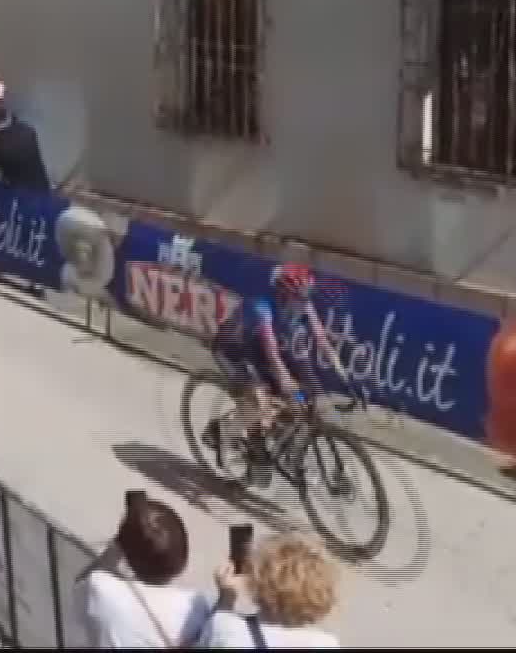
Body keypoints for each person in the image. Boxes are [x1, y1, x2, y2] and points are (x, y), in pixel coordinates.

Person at [209, 263, 354, 484]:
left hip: (259, 353)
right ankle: (224, 431)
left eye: (307, 297)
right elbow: (272, 353)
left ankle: (272, 440)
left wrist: (342, 372)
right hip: (234, 351)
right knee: (259, 402)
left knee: (300, 401)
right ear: (284, 295)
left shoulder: (304, 303)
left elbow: (321, 339)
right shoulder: (262, 308)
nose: (304, 303)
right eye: (299, 298)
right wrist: (285, 380)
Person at [77, 492, 214, 647]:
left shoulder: (100, 589)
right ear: (183, 558)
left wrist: (120, 543)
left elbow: (82, 583)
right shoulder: (200, 606)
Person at [202, 534, 343, 648]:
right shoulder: (326, 643)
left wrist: (226, 597)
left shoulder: (228, 628)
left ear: (257, 584)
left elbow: (206, 641)